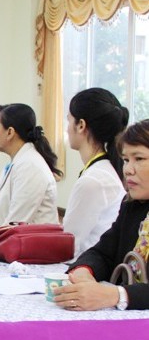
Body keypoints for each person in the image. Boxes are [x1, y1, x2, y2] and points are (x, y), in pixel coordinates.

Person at [54, 119, 149, 312]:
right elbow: (103, 252)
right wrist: (84, 272)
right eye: (125, 160)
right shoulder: (132, 206)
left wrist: (116, 295)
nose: (128, 170)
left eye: (139, 159)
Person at [62, 88, 128, 254]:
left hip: (87, 268)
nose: (66, 129)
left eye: (69, 121)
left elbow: (69, 245)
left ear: (81, 125)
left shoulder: (94, 180)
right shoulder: (101, 170)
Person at [0, 103, 61, 230]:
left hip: (31, 247)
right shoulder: (18, 162)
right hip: (11, 241)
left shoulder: (30, 166)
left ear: (10, 132)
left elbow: (15, 224)